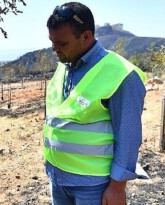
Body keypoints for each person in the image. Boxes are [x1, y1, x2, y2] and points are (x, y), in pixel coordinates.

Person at [43, 2, 146, 205]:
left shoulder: (121, 74)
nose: (54, 49)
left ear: (86, 37)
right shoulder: (64, 65)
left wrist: (117, 187)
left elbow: (128, 134)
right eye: (51, 41)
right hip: (58, 178)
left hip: (92, 186)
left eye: (62, 43)